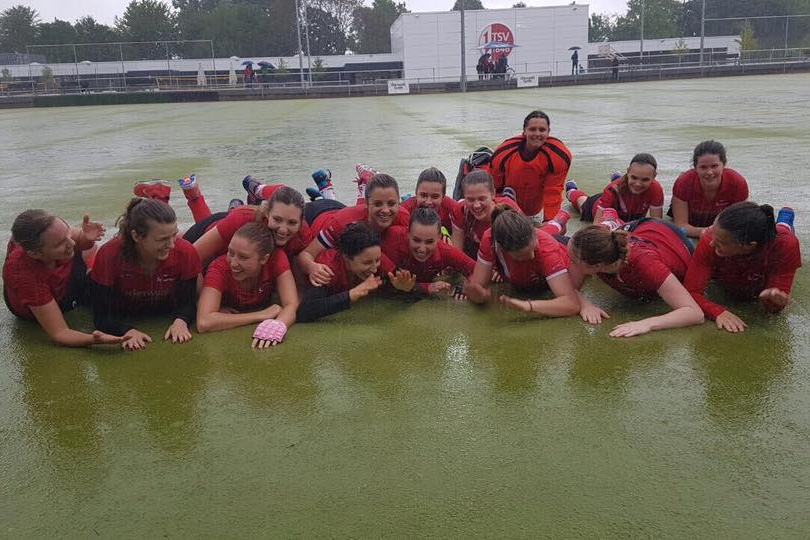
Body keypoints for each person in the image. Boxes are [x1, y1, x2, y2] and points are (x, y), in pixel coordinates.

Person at [3, 210, 127, 347]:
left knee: (90, 249)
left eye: (68, 234)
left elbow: (80, 239)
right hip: (31, 311)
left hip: (54, 269)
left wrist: (86, 238)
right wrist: (94, 339)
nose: (71, 243)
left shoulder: (55, 232)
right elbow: (60, 333)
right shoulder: (22, 273)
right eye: (60, 244)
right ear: (35, 254)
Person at [90, 198, 202, 350]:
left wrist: (182, 320)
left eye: (173, 235)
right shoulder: (109, 255)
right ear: (137, 236)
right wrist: (126, 330)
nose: (171, 245)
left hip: (163, 311)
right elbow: (101, 316)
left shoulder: (185, 252)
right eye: (163, 239)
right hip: (123, 313)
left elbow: (188, 303)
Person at [568, 220, 704, 337]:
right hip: (639, 229)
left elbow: (695, 313)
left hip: (671, 236)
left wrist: (648, 324)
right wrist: (586, 304)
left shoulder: (646, 265)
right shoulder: (594, 254)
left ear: (596, 265)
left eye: (573, 261)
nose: (570, 263)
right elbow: (570, 287)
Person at [683, 202, 801, 333]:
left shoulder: (785, 247)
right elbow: (690, 292)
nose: (711, 242)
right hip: (755, 246)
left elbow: (774, 308)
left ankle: (786, 217)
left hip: (775, 238)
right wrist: (717, 312)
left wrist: (774, 301)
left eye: (721, 243)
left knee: (782, 230)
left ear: (748, 246)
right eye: (713, 235)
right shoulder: (709, 239)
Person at [465, 206, 580, 317]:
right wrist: (478, 295)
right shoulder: (490, 239)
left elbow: (571, 304)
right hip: (538, 245)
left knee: (551, 233)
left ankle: (560, 219)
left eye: (534, 248)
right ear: (502, 249)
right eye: (521, 256)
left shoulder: (547, 250)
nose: (531, 256)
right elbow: (478, 287)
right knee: (547, 233)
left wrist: (528, 306)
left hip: (562, 248)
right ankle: (557, 223)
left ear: (533, 232)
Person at [298, 173, 410, 287]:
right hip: (318, 215)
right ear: (366, 203)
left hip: (341, 208)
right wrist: (312, 267)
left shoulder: (404, 217)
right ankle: (321, 197)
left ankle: (324, 193)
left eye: (391, 204)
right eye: (378, 204)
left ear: (399, 203)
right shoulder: (342, 224)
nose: (386, 210)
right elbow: (305, 254)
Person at [197, 222, 298, 346]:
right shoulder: (220, 268)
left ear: (264, 259)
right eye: (231, 253)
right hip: (205, 229)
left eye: (243, 257)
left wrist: (278, 325)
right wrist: (262, 315)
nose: (233, 263)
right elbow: (204, 322)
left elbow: (291, 304)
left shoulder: (276, 259)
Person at [296, 222, 395, 322]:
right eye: (367, 263)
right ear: (346, 257)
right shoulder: (328, 268)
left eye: (377, 260)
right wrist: (354, 293)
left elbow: (397, 283)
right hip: (319, 219)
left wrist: (403, 286)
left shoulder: (373, 255)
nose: (374, 269)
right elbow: (304, 311)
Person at [489, 110, 573, 220]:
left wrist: (551, 222)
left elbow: (553, 193)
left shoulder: (558, 156)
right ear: (524, 131)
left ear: (548, 132)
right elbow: (494, 188)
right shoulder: (503, 153)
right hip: (507, 199)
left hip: (534, 208)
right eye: (532, 129)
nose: (537, 134)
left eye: (542, 130)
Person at [381, 208, 475, 295]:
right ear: (408, 234)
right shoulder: (393, 237)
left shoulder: (446, 251)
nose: (422, 249)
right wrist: (426, 287)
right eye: (416, 240)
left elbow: (477, 271)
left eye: (429, 242)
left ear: (439, 237)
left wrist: (464, 286)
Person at [670, 140, 749, 238]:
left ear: (723, 164)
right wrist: (710, 232)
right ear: (695, 168)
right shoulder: (684, 183)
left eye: (714, 166)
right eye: (703, 167)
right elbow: (681, 226)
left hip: (721, 231)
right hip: (694, 229)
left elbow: (740, 224)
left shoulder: (737, 183)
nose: (709, 172)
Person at [565, 153, 664, 223]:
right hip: (598, 206)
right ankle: (572, 190)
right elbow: (597, 225)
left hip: (622, 203)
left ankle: (618, 178)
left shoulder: (656, 189)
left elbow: (657, 223)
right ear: (628, 171)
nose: (638, 184)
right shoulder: (613, 188)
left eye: (645, 180)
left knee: (622, 186)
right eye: (634, 177)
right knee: (582, 203)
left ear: (654, 176)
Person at [451, 169, 521, 259]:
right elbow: (457, 252)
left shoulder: (509, 210)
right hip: (476, 253)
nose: (476, 205)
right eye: (470, 200)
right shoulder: (461, 210)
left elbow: (520, 249)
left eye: (482, 199)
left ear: (493, 194)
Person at [399, 167, 458, 234]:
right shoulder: (404, 210)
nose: (428, 202)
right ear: (416, 193)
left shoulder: (454, 209)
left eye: (435, 197)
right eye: (423, 195)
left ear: (443, 196)